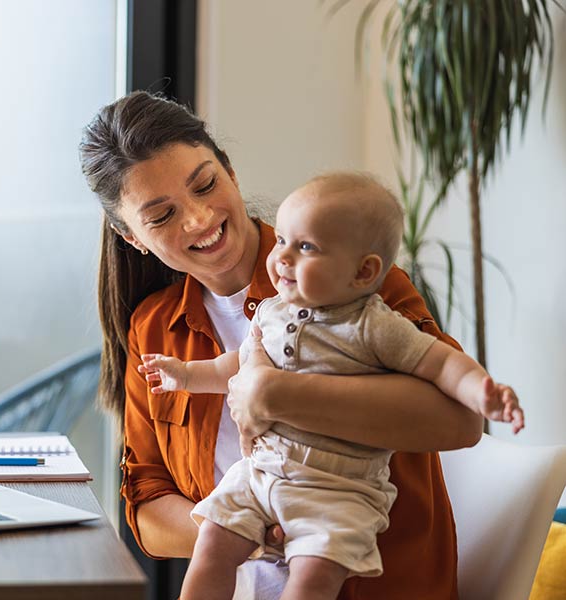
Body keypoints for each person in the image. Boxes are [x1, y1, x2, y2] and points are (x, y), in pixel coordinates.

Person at [78, 91, 501, 599]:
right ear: (133, 238)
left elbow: (459, 420)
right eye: (162, 216)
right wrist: (247, 532)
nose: (197, 219)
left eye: (206, 185)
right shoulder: (154, 328)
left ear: (230, 173)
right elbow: (146, 506)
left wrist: (271, 395)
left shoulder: (357, 282)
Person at [138, 172, 524, 600]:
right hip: (260, 474)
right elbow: (236, 365)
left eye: (305, 248)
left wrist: (481, 390)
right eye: (282, 239)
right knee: (212, 539)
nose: (281, 257)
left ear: (363, 272)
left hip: (338, 491)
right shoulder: (270, 311)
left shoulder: (375, 324)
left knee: (313, 578)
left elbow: (442, 365)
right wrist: (188, 375)